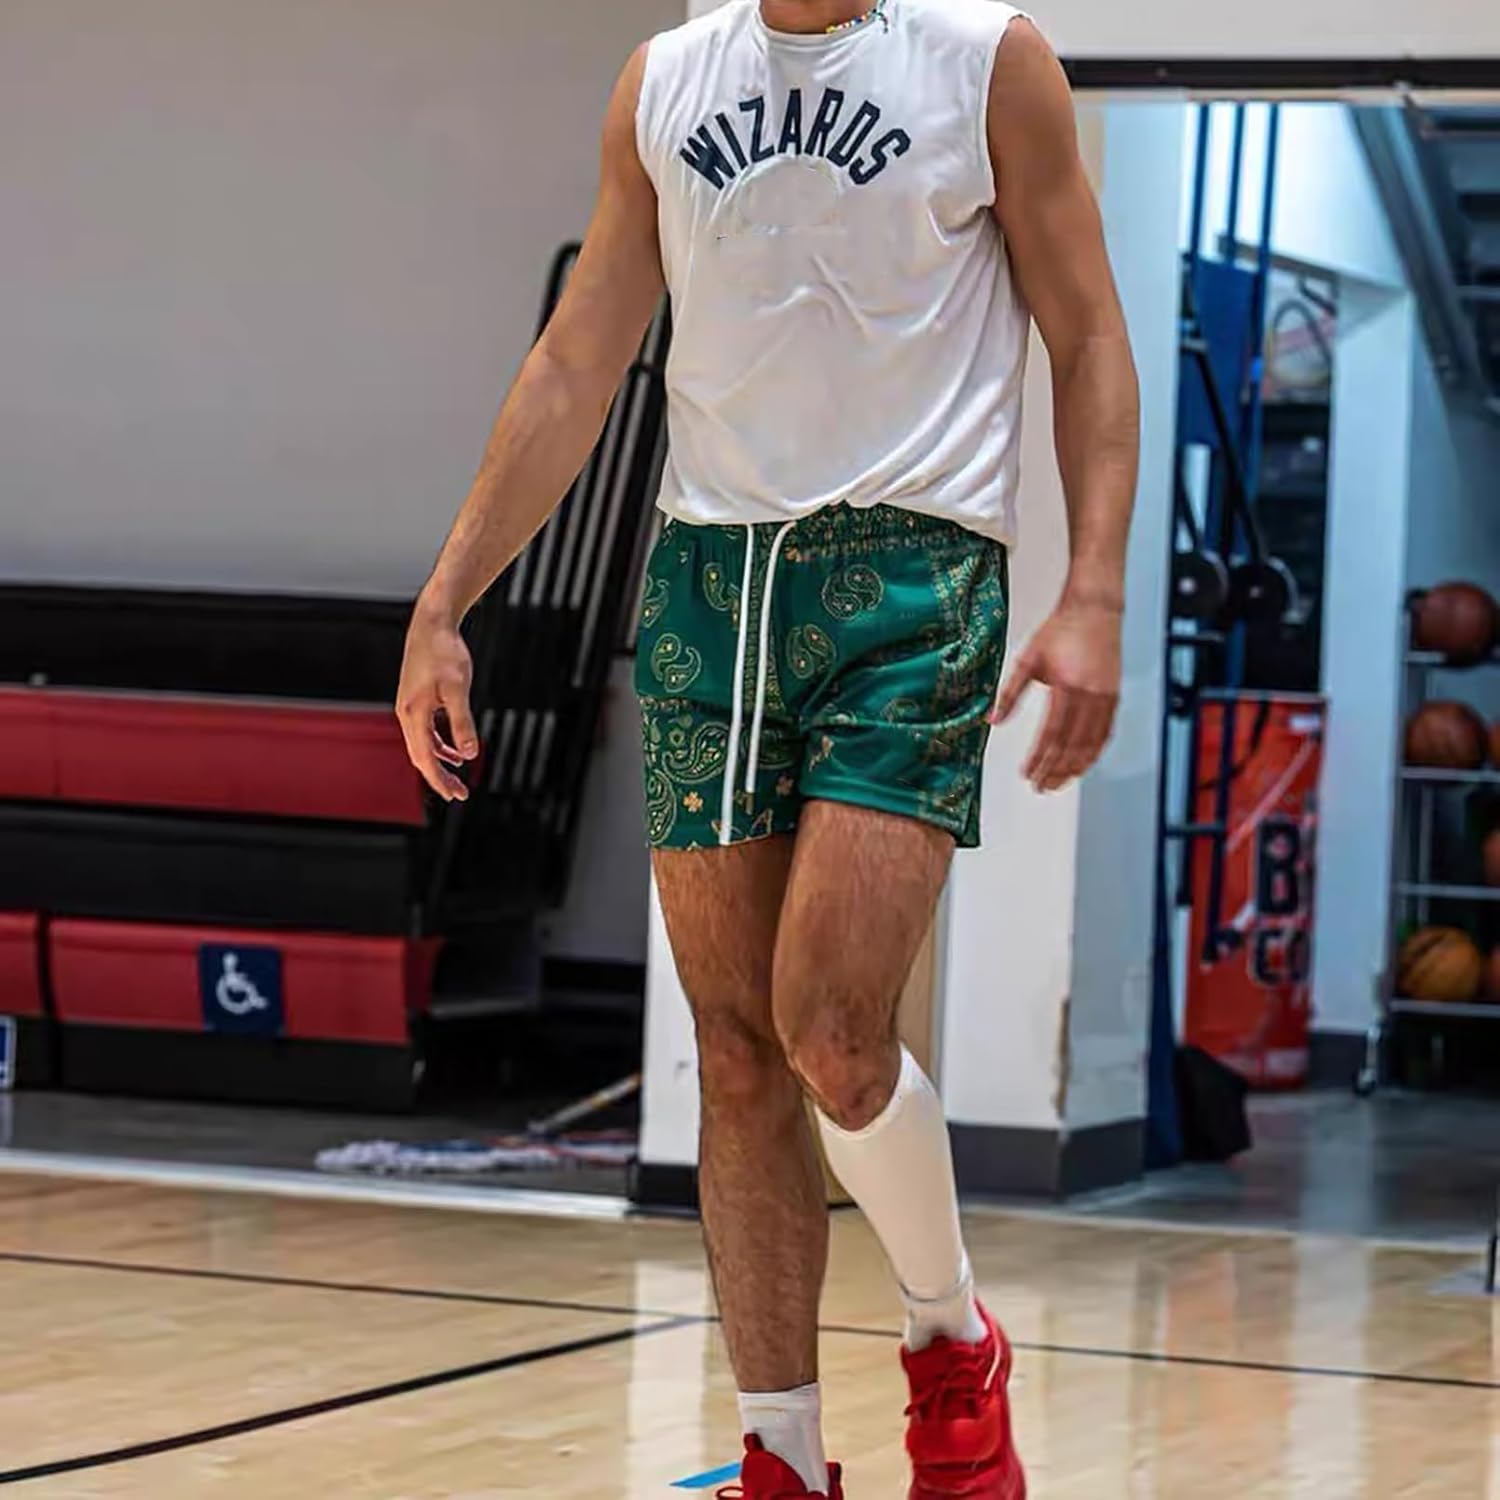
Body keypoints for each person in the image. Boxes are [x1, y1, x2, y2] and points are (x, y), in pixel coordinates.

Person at [395, 0, 1139, 1493]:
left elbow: (1087, 336)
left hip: (913, 577)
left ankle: (951, 1339)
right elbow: (576, 363)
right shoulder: (665, 81)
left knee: (832, 1026)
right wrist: (447, 597)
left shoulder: (989, 62)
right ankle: (781, 1457)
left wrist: (1096, 595)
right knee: (735, 1055)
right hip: (708, 584)